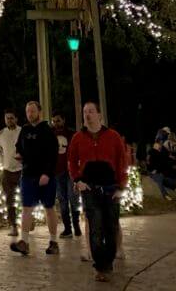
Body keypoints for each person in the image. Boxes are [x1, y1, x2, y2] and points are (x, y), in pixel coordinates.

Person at [69, 100, 128, 282]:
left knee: (110, 227)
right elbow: (72, 161)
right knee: (95, 227)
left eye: (91, 111)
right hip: (90, 188)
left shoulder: (113, 137)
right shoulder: (78, 138)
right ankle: (100, 266)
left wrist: (121, 187)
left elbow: (122, 162)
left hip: (111, 188)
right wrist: (78, 181)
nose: (88, 115)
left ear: (99, 115)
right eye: (85, 112)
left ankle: (108, 262)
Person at [10, 100, 61, 257]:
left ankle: (53, 242)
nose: (30, 114)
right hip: (27, 175)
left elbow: (53, 154)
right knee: (26, 208)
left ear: (39, 112)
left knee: (49, 208)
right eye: (27, 111)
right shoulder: (25, 130)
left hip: (46, 176)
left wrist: (46, 173)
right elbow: (19, 146)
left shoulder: (48, 130)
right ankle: (24, 242)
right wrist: (19, 154)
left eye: (32, 111)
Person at [52, 113, 82, 238]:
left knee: (73, 198)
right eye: (53, 121)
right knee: (62, 201)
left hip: (70, 172)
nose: (56, 123)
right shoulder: (50, 134)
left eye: (58, 120)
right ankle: (67, 229)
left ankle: (76, 226)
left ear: (63, 120)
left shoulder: (72, 134)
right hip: (57, 172)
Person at [0, 110, 23, 237]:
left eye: (12, 118)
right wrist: (3, 163)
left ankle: (27, 222)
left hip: (22, 170)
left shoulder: (22, 132)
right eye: (7, 118)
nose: (9, 120)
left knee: (25, 198)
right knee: (9, 200)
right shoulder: (1, 134)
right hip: (7, 171)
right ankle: (13, 226)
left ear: (16, 119)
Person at [147, 134, 176, 199]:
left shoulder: (161, 150)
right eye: (162, 141)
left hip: (160, 171)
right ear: (160, 141)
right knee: (160, 180)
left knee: (166, 181)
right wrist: (153, 170)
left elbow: (164, 160)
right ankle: (166, 195)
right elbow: (151, 161)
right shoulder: (154, 151)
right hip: (156, 171)